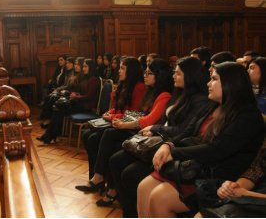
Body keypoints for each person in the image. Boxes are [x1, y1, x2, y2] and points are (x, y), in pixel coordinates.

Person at [137, 62, 265, 217]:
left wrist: (174, 153)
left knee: (159, 198)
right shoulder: (213, 105)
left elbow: (218, 150)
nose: (208, 83)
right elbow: (189, 132)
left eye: (214, 79)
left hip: (218, 176)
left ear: (230, 83)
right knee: (143, 187)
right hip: (202, 165)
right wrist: (168, 145)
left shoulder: (248, 115)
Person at [109, 56, 209, 217]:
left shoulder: (198, 100)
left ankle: (131, 212)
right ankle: (127, 209)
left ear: (189, 76)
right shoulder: (180, 93)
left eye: (178, 73)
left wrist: (156, 129)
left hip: (171, 147)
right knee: (116, 159)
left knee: (129, 174)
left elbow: (183, 131)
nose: (174, 76)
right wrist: (156, 130)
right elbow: (167, 121)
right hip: (161, 139)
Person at [76, 58, 173, 207]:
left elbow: (143, 118)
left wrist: (119, 122)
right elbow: (132, 113)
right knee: (90, 136)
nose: (145, 75)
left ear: (159, 76)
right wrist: (113, 114)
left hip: (145, 135)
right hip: (136, 128)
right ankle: (99, 179)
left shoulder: (152, 91)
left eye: (149, 73)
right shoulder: (148, 91)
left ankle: (102, 181)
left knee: (106, 137)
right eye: (145, 72)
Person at [81, 57, 146, 180]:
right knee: (87, 136)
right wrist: (108, 113)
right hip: (118, 121)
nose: (119, 71)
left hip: (128, 127)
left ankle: (99, 176)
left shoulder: (139, 87)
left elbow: (133, 114)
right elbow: (117, 109)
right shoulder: (124, 85)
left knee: (95, 138)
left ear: (131, 71)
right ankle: (94, 176)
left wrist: (111, 116)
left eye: (122, 68)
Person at [195, 138, 266, 218]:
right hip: (254, 195)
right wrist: (233, 187)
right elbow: (255, 172)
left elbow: (218, 150)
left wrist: (247, 194)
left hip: (259, 201)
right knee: (202, 213)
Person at [36, 59, 100, 144]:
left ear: (90, 68)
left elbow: (89, 97)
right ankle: (49, 135)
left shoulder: (94, 79)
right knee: (57, 108)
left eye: (85, 66)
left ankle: (49, 136)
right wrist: (75, 94)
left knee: (58, 108)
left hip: (85, 106)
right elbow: (82, 93)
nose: (83, 68)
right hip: (80, 102)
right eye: (83, 66)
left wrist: (76, 96)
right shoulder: (86, 78)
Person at [38, 57, 75, 127]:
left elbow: (68, 87)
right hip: (63, 90)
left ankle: (49, 120)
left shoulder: (73, 74)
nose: (67, 65)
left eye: (69, 63)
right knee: (48, 96)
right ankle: (47, 118)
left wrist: (58, 89)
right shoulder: (67, 72)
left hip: (68, 93)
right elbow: (65, 85)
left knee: (52, 98)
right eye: (67, 63)